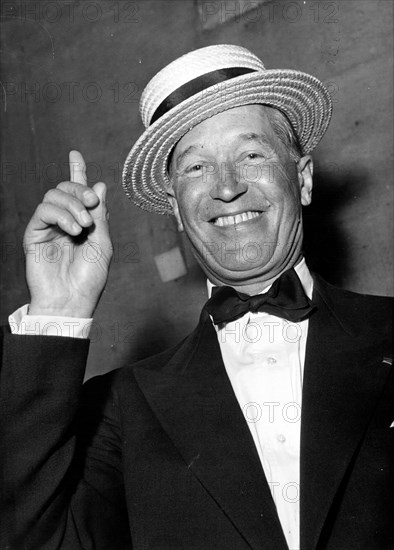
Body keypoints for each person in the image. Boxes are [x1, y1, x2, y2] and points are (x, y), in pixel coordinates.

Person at [1, 44, 392, 550]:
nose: (226, 188)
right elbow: (31, 538)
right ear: (176, 210)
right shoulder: (124, 407)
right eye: (196, 167)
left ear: (303, 178)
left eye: (251, 155)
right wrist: (58, 310)